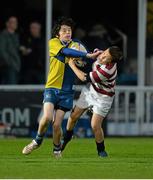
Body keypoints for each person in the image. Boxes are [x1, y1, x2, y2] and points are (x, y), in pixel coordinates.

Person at [22, 17, 101, 157]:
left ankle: (57, 150)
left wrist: (87, 59)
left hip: (67, 91)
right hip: (52, 87)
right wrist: (87, 55)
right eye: (64, 30)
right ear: (58, 34)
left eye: (69, 30)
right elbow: (67, 53)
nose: (67, 32)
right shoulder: (53, 42)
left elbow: (83, 59)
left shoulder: (76, 45)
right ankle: (37, 141)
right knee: (46, 117)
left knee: (57, 125)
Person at [61, 46, 123, 157]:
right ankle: (66, 138)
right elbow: (91, 54)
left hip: (104, 97)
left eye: (106, 57)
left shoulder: (107, 71)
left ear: (111, 62)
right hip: (90, 91)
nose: (102, 56)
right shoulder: (101, 54)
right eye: (105, 52)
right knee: (73, 116)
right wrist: (80, 55)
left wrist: (72, 64)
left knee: (95, 125)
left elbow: (84, 78)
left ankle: (101, 151)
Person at [0, 16, 21, 84]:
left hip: (16, 66)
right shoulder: (3, 35)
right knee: (11, 88)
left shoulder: (16, 36)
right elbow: (2, 51)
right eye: (13, 22)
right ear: (7, 24)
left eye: (16, 22)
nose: (15, 24)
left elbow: (16, 49)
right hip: (8, 66)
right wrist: (10, 63)